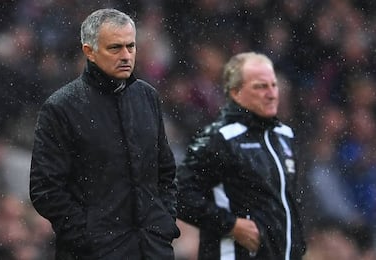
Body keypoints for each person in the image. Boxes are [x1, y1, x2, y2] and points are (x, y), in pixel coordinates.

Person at [29, 8, 180, 260]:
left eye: (131, 46)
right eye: (115, 48)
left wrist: (162, 222)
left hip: (152, 249)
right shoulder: (61, 107)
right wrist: (88, 236)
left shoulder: (147, 96)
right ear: (89, 51)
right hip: (94, 252)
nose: (126, 55)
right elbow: (45, 188)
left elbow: (165, 171)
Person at [176, 52, 306, 260]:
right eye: (260, 86)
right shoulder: (219, 138)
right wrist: (231, 225)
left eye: (274, 85)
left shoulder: (284, 136)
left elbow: (288, 206)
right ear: (235, 92)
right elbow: (178, 195)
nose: (272, 94)